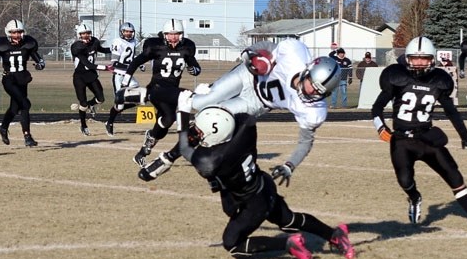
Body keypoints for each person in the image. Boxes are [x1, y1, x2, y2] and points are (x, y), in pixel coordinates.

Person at [139, 39, 341, 185]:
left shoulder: (314, 110)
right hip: (247, 77)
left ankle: (167, 159)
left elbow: (306, 141)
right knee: (199, 103)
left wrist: (290, 165)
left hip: (256, 103)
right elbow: (265, 47)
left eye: (320, 92)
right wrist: (250, 55)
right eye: (312, 86)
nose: (312, 93)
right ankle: (145, 94)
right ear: (307, 70)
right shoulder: (295, 53)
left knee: (213, 125)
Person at [176, 105, 355, 259]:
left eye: (199, 131)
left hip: (252, 203)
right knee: (289, 220)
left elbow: (185, 149)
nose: (196, 133)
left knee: (232, 243)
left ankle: (287, 243)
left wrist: (182, 112)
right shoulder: (245, 128)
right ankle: (334, 235)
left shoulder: (211, 160)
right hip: (263, 185)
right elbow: (241, 118)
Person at [372, 36, 467, 231]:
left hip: (426, 137)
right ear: (408, 59)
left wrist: (465, 136)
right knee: (405, 180)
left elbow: (451, 112)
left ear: (432, 59)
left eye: (424, 59)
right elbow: (377, 107)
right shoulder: (396, 77)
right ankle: (414, 198)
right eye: (415, 58)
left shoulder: (439, 80)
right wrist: (380, 126)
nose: (419, 63)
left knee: (454, 175)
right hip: (401, 139)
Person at [117, 18, 201, 167]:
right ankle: (189, 123)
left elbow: (196, 67)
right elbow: (136, 62)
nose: (173, 37)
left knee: (166, 122)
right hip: (156, 88)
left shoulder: (187, 48)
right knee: (187, 95)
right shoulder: (155, 47)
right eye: (170, 34)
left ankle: (143, 151)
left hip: (172, 90)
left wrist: (194, 69)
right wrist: (125, 83)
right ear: (164, 35)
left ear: (181, 35)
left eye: (176, 34)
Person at [0, 19, 45, 147]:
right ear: (8, 33)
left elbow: (38, 58)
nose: (17, 35)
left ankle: (3, 128)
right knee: (25, 104)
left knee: (15, 108)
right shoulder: (2, 45)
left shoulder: (28, 43)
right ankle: (27, 136)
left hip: (22, 78)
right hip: (9, 79)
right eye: (14, 32)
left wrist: (40, 64)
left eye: (19, 32)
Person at [70, 22, 113, 136]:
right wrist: (106, 68)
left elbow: (102, 50)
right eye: (83, 34)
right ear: (79, 35)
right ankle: (83, 125)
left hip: (92, 75)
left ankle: (90, 105)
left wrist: (114, 49)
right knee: (83, 104)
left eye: (88, 33)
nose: (86, 36)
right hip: (80, 76)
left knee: (101, 98)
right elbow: (88, 64)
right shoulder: (77, 47)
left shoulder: (94, 41)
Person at [104, 22, 142, 136]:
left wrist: (139, 64)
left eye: (130, 32)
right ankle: (109, 122)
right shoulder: (117, 42)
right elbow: (115, 63)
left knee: (140, 98)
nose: (129, 34)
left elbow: (132, 57)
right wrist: (132, 66)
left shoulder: (134, 42)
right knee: (119, 103)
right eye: (126, 31)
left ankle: (118, 110)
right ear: (122, 32)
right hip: (119, 76)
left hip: (129, 76)